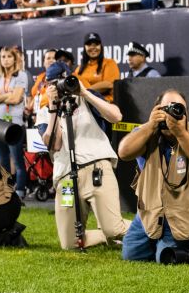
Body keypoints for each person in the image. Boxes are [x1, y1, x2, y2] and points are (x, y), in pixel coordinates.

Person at [118, 89, 189, 264]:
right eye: (164, 109)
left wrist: (180, 133)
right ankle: (157, 241)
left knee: (166, 257)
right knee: (131, 255)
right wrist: (150, 125)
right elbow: (123, 152)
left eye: (177, 108)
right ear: (155, 110)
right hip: (151, 209)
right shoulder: (145, 133)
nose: (170, 114)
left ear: (186, 113)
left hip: (184, 211)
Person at [37, 62, 129, 250]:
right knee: (70, 244)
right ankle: (106, 236)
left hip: (96, 167)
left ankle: (151, 230)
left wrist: (85, 93)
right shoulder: (45, 109)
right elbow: (54, 144)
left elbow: (116, 116)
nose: (63, 87)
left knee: (114, 228)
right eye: (56, 84)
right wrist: (54, 109)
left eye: (65, 81)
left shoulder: (86, 97)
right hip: (66, 177)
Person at [0, 46, 29, 199]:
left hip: (14, 123)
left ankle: (20, 191)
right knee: (2, 160)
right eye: (3, 57)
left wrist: (1, 95)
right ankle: (6, 191)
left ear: (14, 58)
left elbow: (16, 99)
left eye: (9, 56)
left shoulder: (21, 75)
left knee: (17, 160)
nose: (6, 60)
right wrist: (8, 94)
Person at [76, 32, 120, 102]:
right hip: (85, 106)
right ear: (84, 47)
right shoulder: (79, 68)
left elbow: (109, 84)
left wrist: (85, 92)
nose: (93, 47)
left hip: (105, 105)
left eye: (96, 44)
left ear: (101, 46)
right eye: (89, 44)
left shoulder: (109, 63)